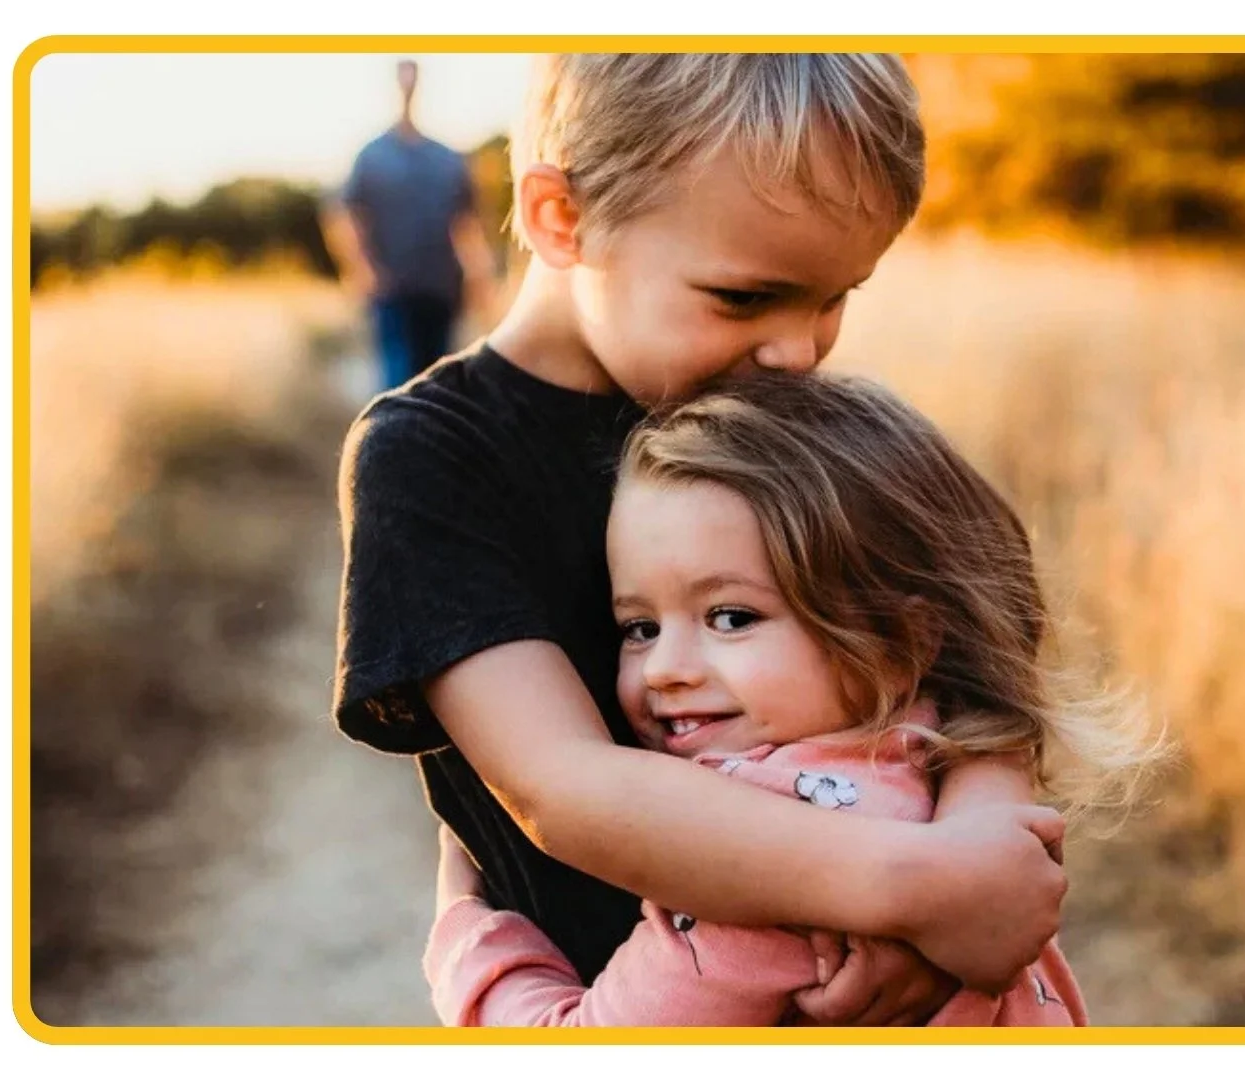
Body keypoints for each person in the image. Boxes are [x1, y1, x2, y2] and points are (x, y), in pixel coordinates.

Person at [334, 54, 1067, 1027]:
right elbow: (567, 787)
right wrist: (916, 889)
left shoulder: (779, 413)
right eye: (745, 297)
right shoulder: (435, 457)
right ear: (561, 217)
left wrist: (973, 847)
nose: (799, 351)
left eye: (835, 297)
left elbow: (981, 651)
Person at [422, 372, 1162, 1027]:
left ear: (901, 639)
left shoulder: (757, 876)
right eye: (640, 628)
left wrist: (466, 929)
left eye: (731, 617)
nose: (665, 670)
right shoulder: (944, 769)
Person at [322, 59, 495, 390]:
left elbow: (467, 223)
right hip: (392, 291)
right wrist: (360, 268)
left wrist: (479, 276)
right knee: (398, 381)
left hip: (441, 287)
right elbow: (345, 215)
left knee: (436, 382)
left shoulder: (446, 158)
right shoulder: (372, 156)